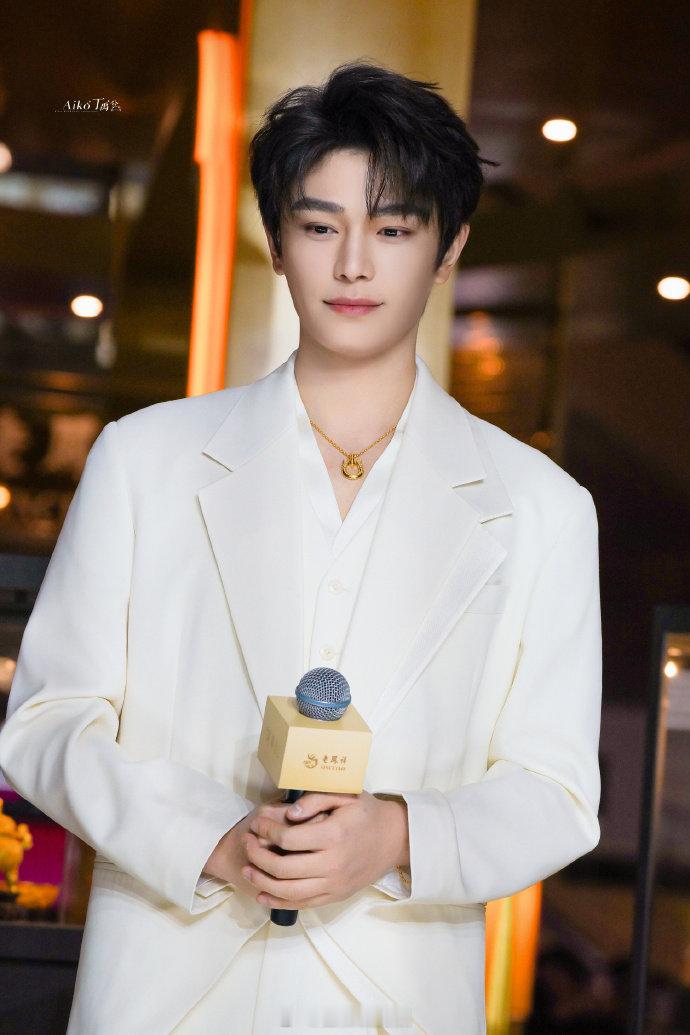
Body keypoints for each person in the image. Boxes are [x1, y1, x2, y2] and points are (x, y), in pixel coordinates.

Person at [0, 61, 603, 1034]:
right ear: (278, 243)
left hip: (395, 1002)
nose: (354, 264)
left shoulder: (541, 507)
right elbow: (47, 720)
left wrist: (399, 833)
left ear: (449, 246)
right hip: (166, 992)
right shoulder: (145, 460)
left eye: (394, 230)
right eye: (321, 227)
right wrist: (208, 836)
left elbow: (559, 790)